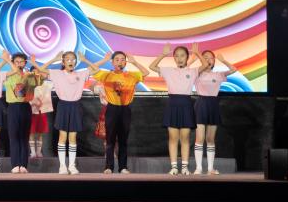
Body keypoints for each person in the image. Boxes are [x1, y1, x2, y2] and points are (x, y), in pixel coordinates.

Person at [32, 51, 106, 175]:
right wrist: (54, 59)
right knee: (62, 136)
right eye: (67, 59)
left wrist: (85, 60)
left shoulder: (81, 74)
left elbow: (96, 69)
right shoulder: (57, 74)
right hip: (63, 106)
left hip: (75, 106)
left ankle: (72, 166)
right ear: (63, 62)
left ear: (76, 62)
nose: (70, 61)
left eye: (73, 59)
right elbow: (40, 69)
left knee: (72, 137)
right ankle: (62, 166)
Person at [92, 51, 150, 174]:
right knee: (110, 140)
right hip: (111, 109)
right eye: (117, 59)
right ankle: (109, 167)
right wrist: (104, 60)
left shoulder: (131, 75)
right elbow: (92, 70)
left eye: (123, 59)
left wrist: (134, 62)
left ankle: (123, 167)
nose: (120, 62)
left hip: (125, 109)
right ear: (112, 62)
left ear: (125, 62)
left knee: (123, 140)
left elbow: (146, 72)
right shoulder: (106, 75)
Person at [150, 44, 198, 175]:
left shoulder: (192, 71)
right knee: (173, 137)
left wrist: (197, 53)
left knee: (185, 137)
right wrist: (163, 54)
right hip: (172, 104)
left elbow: (205, 66)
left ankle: (185, 167)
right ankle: (174, 167)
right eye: (176, 56)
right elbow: (152, 66)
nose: (179, 58)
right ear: (174, 58)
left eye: (182, 55)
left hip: (186, 104)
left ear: (187, 57)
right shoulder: (168, 70)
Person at [193, 48, 236, 175]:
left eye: (210, 58)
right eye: (205, 57)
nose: (208, 60)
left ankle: (210, 168)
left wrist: (224, 60)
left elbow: (234, 70)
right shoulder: (197, 73)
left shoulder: (218, 75)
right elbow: (185, 71)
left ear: (214, 61)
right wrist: (195, 56)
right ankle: (198, 168)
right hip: (201, 104)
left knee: (210, 139)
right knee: (199, 138)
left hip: (213, 105)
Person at [4, 52, 40, 174]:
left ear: (25, 63)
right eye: (16, 62)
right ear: (13, 63)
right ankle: (15, 164)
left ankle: (23, 165)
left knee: (24, 137)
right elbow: (17, 90)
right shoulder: (8, 75)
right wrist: (7, 60)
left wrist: (34, 65)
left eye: (21, 62)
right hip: (13, 107)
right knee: (14, 136)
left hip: (25, 107)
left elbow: (42, 78)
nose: (19, 64)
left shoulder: (29, 76)